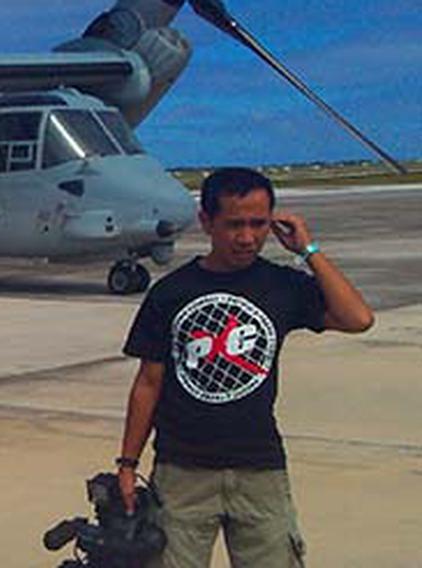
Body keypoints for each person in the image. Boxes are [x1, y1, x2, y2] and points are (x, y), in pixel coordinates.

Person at [116, 167, 374, 567]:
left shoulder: (283, 286)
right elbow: (148, 383)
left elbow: (357, 318)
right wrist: (128, 464)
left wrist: (308, 251)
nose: (248, 237)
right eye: (234, 224)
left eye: (259, 224)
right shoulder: (171, 293)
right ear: (206, 223)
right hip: (182, 470)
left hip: (259, 468)